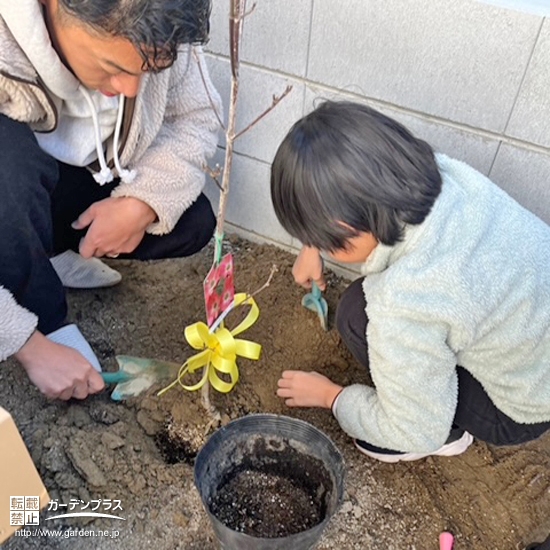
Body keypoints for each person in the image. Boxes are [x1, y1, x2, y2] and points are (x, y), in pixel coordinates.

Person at [271, 101, 550, 462]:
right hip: (533, 341)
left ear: (350, 230)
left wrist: (332, 397)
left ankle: (452, 435)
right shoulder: (444, 175)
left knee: (356, 315)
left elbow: (417, 428)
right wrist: (315, 244)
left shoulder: (405, 297)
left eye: (321, 236)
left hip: (521, 406)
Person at [0, 0, 222, 401]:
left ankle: (48, 252)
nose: (132, 89)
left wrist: (141, 204)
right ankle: (44, 311)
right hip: (10, 184)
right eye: (113, 67)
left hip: (69, 184)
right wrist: (30, 345)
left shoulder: (161, 16)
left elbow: (197, 118)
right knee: (7, 163)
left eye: (149, 71)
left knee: (193, 219)